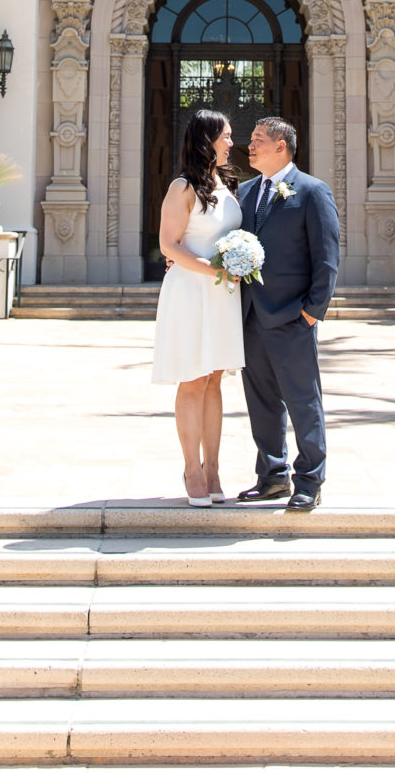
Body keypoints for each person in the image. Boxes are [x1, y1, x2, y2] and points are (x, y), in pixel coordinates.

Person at [233, 116, 340, 512]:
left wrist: (312, 312)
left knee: (302, 401)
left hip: (293, 318)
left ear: (282, 147)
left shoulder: (312, 191)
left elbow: (327, 258)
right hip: (249, 318)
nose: (250, 144)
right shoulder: (243, 193)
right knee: (260, 401)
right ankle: (272, 476)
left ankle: (310, 480)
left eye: (259, 139)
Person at [149, 107, 244, 505]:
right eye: (225, 136)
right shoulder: (182, 187)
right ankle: (191, 469)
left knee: (215, 378)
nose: (231, 143)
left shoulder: (229, 184)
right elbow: (168, 245)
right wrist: (210, 269)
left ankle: (214, 468)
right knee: (192, 378)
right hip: (190, 290)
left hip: (223, 294)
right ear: (207, 141)